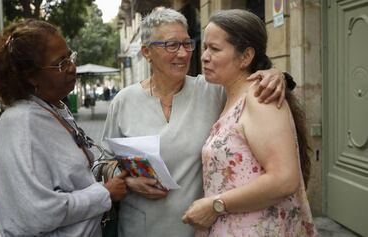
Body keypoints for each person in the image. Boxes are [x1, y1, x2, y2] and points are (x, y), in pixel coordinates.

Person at [102, 8, 292, 237]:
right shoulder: (123, 101)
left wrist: (276, 74)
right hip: (140, 227)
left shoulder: (212, 90)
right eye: (171, 45)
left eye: (187, 44)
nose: (183, 54)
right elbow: (105, 162)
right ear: (146, 51)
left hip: (200, 228)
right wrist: (129, 182)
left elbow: (246, 83)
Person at [181, 9, 317, 236]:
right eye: (205, 47)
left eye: (214, 49)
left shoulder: (258, 98)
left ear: (246, 57)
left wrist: (215, 204)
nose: (204, 56)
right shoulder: (228, 95)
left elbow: (284, 179)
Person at [0, 19, 127, 236]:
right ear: (31, 76)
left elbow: (68, 178)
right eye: (61, 63)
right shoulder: (22, 123)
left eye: (70, 57)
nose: (72, 68)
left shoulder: (52, 108)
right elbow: (34, 214)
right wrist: (104, 193)